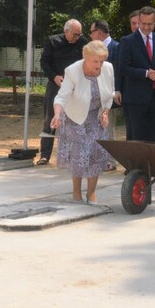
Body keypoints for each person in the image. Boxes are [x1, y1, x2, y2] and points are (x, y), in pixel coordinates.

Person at [50, 40, 114, 203]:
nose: (99, 65)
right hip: (74, 118)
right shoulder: (72, 71)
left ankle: (91, 193)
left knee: (96, 154)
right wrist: (57, 115)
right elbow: (61, 97)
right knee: (78, 156)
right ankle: (76, 193)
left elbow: (109, 94)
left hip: (96, 117)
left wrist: (105, 112)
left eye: (101, 61)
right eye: (95, 61)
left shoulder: (108, 69)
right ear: (86, 58)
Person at [117, 6, 155, 190]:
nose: (147, 27)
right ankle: (138, 176)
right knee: (139, 138)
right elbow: (123, 68)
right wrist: (145, 73)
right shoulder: (128, 41)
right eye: (143, 24)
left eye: (150, 24)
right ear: (138, 21)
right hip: (136, 98)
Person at [37, 19, 89, 166]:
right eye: (74, 34)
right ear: (66, 31)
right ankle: (44, 155)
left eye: (79, 34)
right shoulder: (52, 41)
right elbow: (44, 62)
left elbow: (86, 63)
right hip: (56, 84)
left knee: (75, 120)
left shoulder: (83, 42)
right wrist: (54, 76)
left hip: (75, 87)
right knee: (50, 119)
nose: (77, 37)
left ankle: (74, 155)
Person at [89, 19, 119, 172]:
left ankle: (111, 161)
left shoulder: (116, 47)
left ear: (99, 33)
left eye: (91, 32)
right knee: (94, 128)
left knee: (108, 128)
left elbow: (119, 72)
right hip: (94, 96)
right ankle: (97, 158)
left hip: (109, 96)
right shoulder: (92, 49)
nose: (90, 35)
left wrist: (116, 91)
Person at [115, 10, 141, 141]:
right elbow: (119, 68)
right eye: (133, 23)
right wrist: (117, 89)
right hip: (130, 93)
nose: (136, 26)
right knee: (131, 130)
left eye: (138, 23)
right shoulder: (125, 42)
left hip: (150, 94)